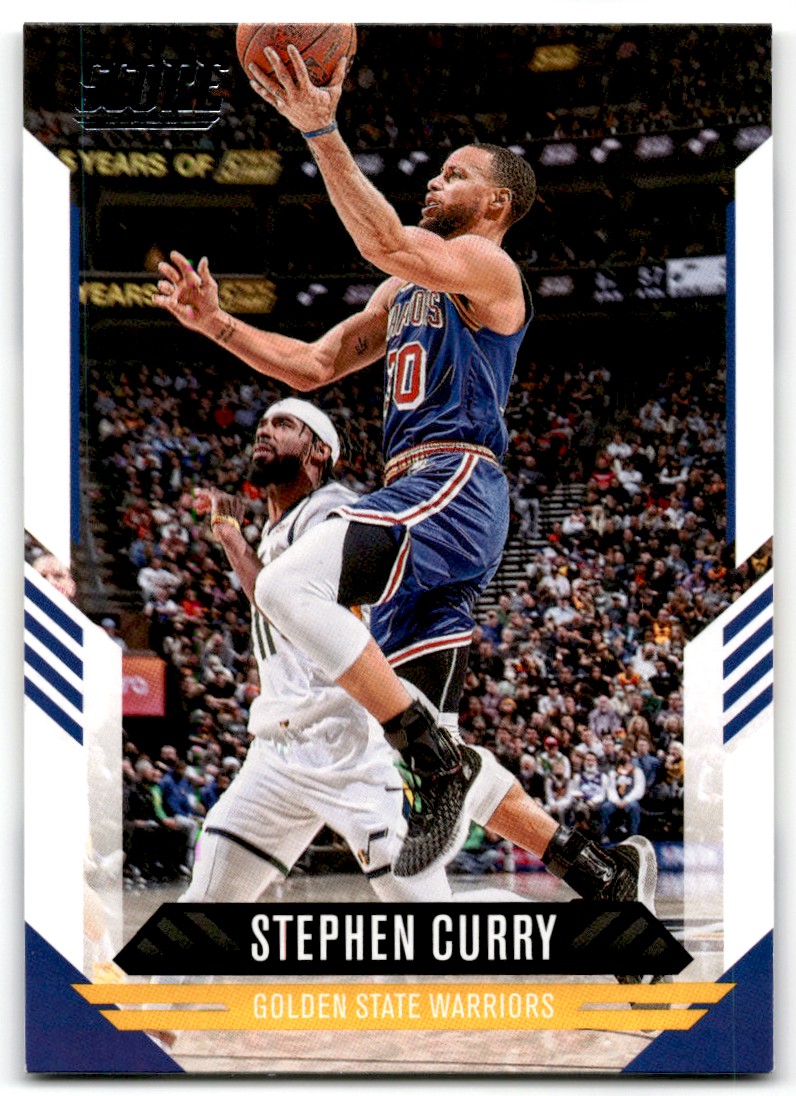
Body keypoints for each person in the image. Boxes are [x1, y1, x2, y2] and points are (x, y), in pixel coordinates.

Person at [152, 52, 650, 905]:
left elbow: (383, 238)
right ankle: (599, 873)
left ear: (496, 204)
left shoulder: (489, 269)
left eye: (454, 175)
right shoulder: (399, 293)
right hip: (423, 501)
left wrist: (319, 127)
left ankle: (430, 755)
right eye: (437, 171)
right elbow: (314, 365)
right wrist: (217, 323)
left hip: (451, 482)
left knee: (287, 586)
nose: (434, 181)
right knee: (416, 737)